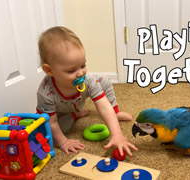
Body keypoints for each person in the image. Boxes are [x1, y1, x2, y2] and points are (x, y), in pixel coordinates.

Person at [36, 26, 137, 156]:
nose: (80, 73)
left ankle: (115, 112)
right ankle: (74, 115)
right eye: (71, 71)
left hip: (79, 99)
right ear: (49, 71)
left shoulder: (87, 80)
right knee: (54, 130)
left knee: (104, 81)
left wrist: (117, 134)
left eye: (83, 65)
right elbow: (51, 122)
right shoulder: (45, 93)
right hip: (60, 111)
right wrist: (63, 142)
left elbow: (104, 107)